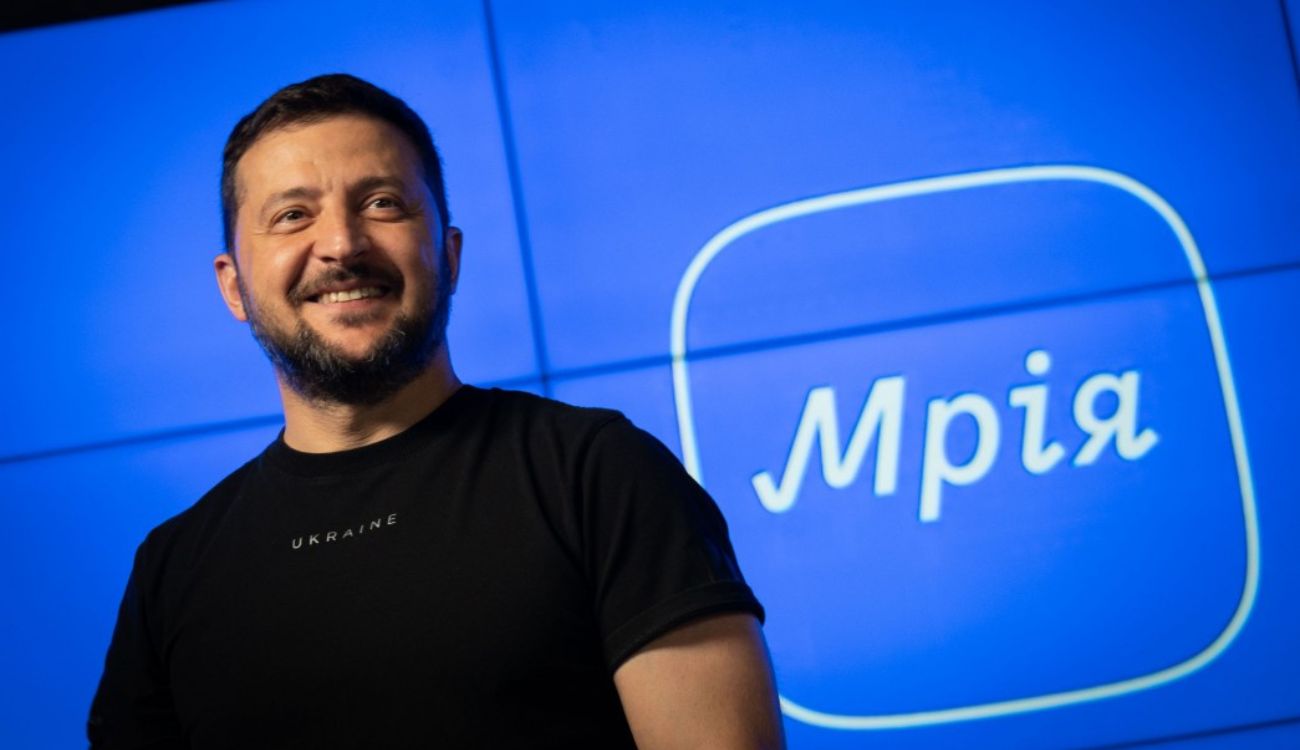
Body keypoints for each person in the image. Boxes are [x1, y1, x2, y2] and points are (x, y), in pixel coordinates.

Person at [87, 73, 783, 748]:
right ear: (234, 286)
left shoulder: (597, 473)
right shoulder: (172, 569)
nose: (342, 244)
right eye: (292, 215)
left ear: (449, 256)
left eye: (383, 203)